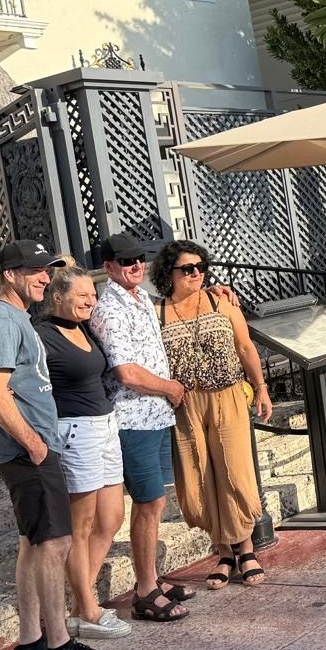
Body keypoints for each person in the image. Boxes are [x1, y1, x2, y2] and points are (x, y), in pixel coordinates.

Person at [0, 239, 118, 650]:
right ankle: (58, 649)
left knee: (34, 544)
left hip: (29, 447)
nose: (44, 277)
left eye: (47, 270)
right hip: (27, 450)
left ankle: (31, 643)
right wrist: (35, 444)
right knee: (55, 544)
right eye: (35, 270)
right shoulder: (3, 322)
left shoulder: (14, 318)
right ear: (9, 274)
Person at [151, 239, 275, 588]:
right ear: (169, 273)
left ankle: (246, 549)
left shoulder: (221, 301)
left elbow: (245, 346)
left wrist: (261, 387)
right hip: (186, 404)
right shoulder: (156, 310)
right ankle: (223, 552)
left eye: (201, 268)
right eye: (187, 269)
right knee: (199, 476)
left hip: (227, 395)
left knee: (234, 470)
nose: (196, 274)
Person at [88, 234, 195, 624]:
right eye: (125, 260)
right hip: (133, 418)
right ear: (109, 267)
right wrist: (170, 388)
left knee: (155, 502)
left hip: (156, 415)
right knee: (148, 502)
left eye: (139, 259)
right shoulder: (110, 309)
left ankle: (149, 578)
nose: (135, 265)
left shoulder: (142, 299)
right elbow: (126, 372)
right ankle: (146, 590)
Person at [34, 266, 131, 641]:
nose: (91, 301)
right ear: (57, 296)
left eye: (93, 294)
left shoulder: (85, 327)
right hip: (74, 430)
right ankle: (88, 610)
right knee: (82, 524)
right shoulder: (42, 335)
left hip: (105, 426)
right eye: (83, 295)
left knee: (111, 517)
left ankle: (80, 603)